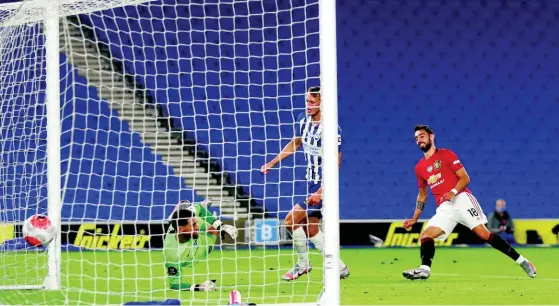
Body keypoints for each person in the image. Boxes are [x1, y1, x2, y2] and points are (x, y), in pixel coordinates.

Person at [402, 124, 536, 280]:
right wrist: (414, 218)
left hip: (461, 198)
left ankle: (523, 262)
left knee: (483, 234)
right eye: (416, 138)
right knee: (426, 235)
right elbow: (422, 195)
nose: (419, 140)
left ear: (432, 137)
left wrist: (452, 191)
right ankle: (424, 269)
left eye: (422, 136)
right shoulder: (419, 167)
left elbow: (465, 178)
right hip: (445, 207)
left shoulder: (446, 154)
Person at [261, 86, 350, 281]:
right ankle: (341, 268)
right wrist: (272, 163)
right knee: (311, 229)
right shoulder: (303, 121)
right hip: (310, 182)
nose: (308, 105)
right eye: (307, 101)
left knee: (290, 221)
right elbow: (296, 143)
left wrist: (321, 191)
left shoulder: (331, 129)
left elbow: (336, 162)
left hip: (323, 185)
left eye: (312, 102)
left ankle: (303, 265)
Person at [163, 200, 238, 291]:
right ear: (181, 229)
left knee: (212, 229)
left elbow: (199, 210)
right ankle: (177, 213)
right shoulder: (172, 254)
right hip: (188, 256)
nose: (196, 226)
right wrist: (200, 287)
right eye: (193, 225)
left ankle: (184, 211)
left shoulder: (194, 222)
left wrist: (221, 226)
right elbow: (175, 285)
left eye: (195, 223)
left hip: (200, 244)